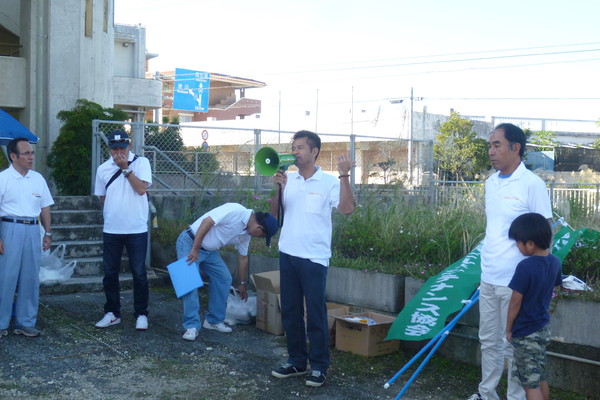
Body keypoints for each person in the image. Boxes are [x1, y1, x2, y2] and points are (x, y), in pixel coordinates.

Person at [468, 123, 553, 400]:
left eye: (497, 145)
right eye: (489, 145)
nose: (491, 151)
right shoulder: (491, 182)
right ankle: (486, 393)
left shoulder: (531, 184)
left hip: (517, 280)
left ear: (516, 148)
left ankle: (516, 397)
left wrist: (541, 278)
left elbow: (545, 232)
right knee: (488, 340)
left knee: (515, 343)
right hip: (489, 275)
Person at [270, 130, 355, 388]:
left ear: (314, 151)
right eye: (293, 148)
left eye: (300, 148)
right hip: (288, 254)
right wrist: (278, 188)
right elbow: (275, 216)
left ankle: (319, 366)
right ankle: (297, 361)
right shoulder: (289, 180)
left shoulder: (328, 182)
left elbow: (347, 209)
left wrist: (344, 176)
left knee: (315, 313)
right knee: (290, 311)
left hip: (314, 258)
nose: (295, 152)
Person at [176, 203, 279, 341]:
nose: (258, 237)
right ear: (259, 228)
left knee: (223, 278)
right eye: (261, 236)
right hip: (190, 242)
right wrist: (195, 249)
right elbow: (207, 222)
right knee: (189, 283)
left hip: (210, 251)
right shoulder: (236, 210)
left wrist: (242, 283)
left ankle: (213, 320)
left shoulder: (246, 234)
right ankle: (191, 326)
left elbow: (243, 258)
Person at [94, 130, 152, 331]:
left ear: (130, 146)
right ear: (109, 149)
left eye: (122, 148)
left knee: (139, 273)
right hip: (112, 228)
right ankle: (112, 312)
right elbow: (103, 197)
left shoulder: (141, 163)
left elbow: (141, 189)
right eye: (114, 149)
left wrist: (125, 169)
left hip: (136, 228)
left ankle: (141, 313)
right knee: (110, 272)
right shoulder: (103, 169)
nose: (118, 152)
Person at [0, 137, 53, 338]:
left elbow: (45, 207)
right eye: (26, 154)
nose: (31, 157)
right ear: (13, 156)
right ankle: (1, 323)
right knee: (6, 277)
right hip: (9, 228)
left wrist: (48, 232)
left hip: (32, 230)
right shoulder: (3, 178)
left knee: (30, 278)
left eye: (32, 153)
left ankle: (26, 322)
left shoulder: (38, 179)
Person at [506, 213, 562, 400]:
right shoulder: (555, 262)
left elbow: (515, 302)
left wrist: (508, 329)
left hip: (526, 332)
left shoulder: (525, 267)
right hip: (543, 328)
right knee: (540, 375)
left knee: (530, 384)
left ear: (530, 244)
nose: (517, 246)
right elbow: (554, 289)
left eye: (517, 242)